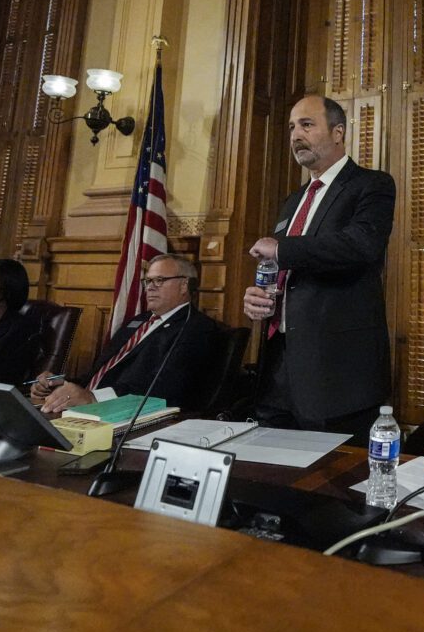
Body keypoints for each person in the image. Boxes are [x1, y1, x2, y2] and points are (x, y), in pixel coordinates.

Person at [242, 96, 396, 443]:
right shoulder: (293, 201)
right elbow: (284, 268)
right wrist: (260, 296)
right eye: (292, 127)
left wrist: (281, 249)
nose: (296, 135)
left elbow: (360, 245)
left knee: (332, 488)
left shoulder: (372, 185)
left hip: (337, 378)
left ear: (338, 132)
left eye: (307, 125)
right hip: (279, 372)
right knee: (275, 476)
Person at [34, 254, 218, 412]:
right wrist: (59, 384)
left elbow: (163, 387)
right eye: (148, 281)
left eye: (159, 280)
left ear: (184, 285)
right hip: (84, 408)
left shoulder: (197, 328)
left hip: (125, 413)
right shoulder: (136, 322)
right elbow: (99, 373)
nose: (150, 287)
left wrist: (93, 398)